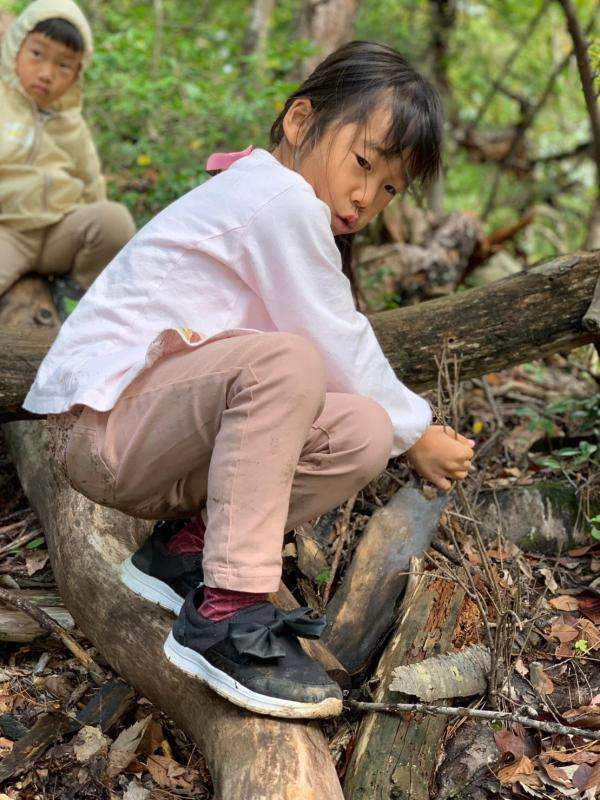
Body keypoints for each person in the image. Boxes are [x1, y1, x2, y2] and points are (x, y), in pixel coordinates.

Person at [24, 41, 475, 719]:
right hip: (98, 428)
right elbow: (335, 336)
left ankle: (185, 555)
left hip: (160, 433)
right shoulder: (277, 196)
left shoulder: (288, 203)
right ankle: (225, 616)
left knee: (362, 429)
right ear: (300, 122)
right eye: (363, 163)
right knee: (292, 362)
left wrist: (393, 429)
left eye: (388, 188)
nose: (366, 196)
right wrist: (419, 432)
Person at [0, 0, 135, 316]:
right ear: (15, 49)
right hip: (10, 232)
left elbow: (91, 181)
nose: (46, 74)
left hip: (61, 231)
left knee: (114, 220)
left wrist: (94, 207)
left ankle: (77, 296)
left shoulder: (73, 124)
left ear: (77, 74)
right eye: (37, 54)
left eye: (63, 66)